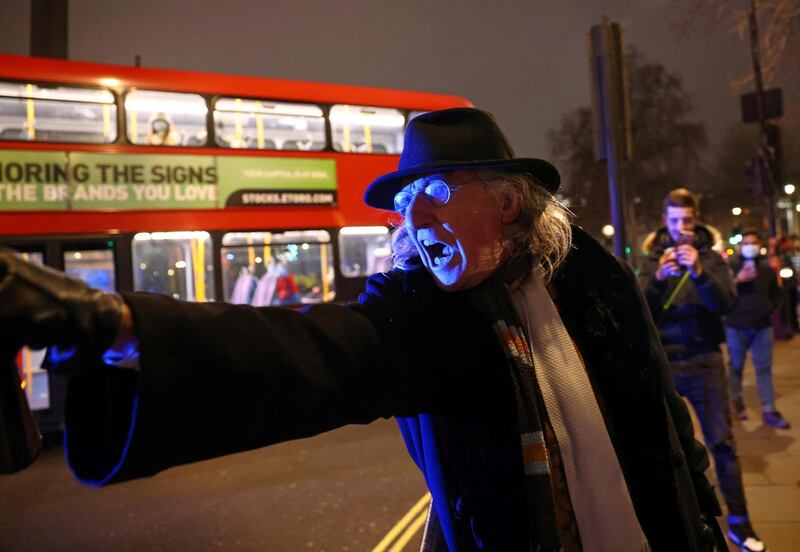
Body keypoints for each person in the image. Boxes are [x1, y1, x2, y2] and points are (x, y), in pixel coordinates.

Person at [1, 108, 724, 551]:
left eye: (436, 194)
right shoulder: (423, 313)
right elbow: (313, 356)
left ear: (508, 201)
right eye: (406, 206)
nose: (417, 220)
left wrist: (710, 528)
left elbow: (666, 423)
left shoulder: (595, 283)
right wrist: (109, 323)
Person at [639, 188, 765, 552]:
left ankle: (741, 525)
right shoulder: (651, 261)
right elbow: (642, 311)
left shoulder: (710, 258)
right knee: (668, 449)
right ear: (666, 221)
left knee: (722, 445)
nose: (682, 229)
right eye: (675, 221)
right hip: (665, 364)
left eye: (688, 221)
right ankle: (682, 525)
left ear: (696, 221)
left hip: (705, 361)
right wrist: (659, 279)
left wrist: (698, 273)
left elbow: (724, 304)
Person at [726, 230, 790, 429]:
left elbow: (777, 294)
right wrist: (738, 280)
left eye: (753, 242)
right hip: (736, 326)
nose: (750, 246)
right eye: (746, 243)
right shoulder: (731, 266)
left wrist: (769, 308)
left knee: (764, 369)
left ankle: (769, 409)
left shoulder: (766, 268)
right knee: (735, 368)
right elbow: (721, 293)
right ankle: (736, 403)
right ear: (741, 245)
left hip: (762, 327)